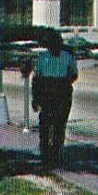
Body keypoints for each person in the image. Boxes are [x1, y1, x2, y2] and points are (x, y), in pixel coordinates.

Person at [32, 30, 79, 166]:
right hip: (47, 92)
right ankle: (45, 152)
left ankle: (56, 152)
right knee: (45, 124)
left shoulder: (68, 57)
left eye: (56, 43)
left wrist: (64, 82)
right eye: (51, 44)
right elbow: (37, 79)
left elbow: (74, 75)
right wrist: (35, 99)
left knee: (59, 124)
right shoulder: (43, 57)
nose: (54, 47)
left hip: (62, 92)